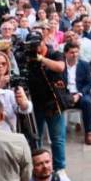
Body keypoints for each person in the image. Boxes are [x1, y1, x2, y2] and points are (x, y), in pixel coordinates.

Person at [24, 34, 68, 171]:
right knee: (35, 138)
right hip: (35, 103)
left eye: (36, 44)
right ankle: (37, 168)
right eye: (30, 44)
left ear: (43, 42)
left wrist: (41, 58)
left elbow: (60, 67)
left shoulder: (55, 53)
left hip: (53, 101)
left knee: (57, 139)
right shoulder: (26, 56)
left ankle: (59, 169)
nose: (34, 47)